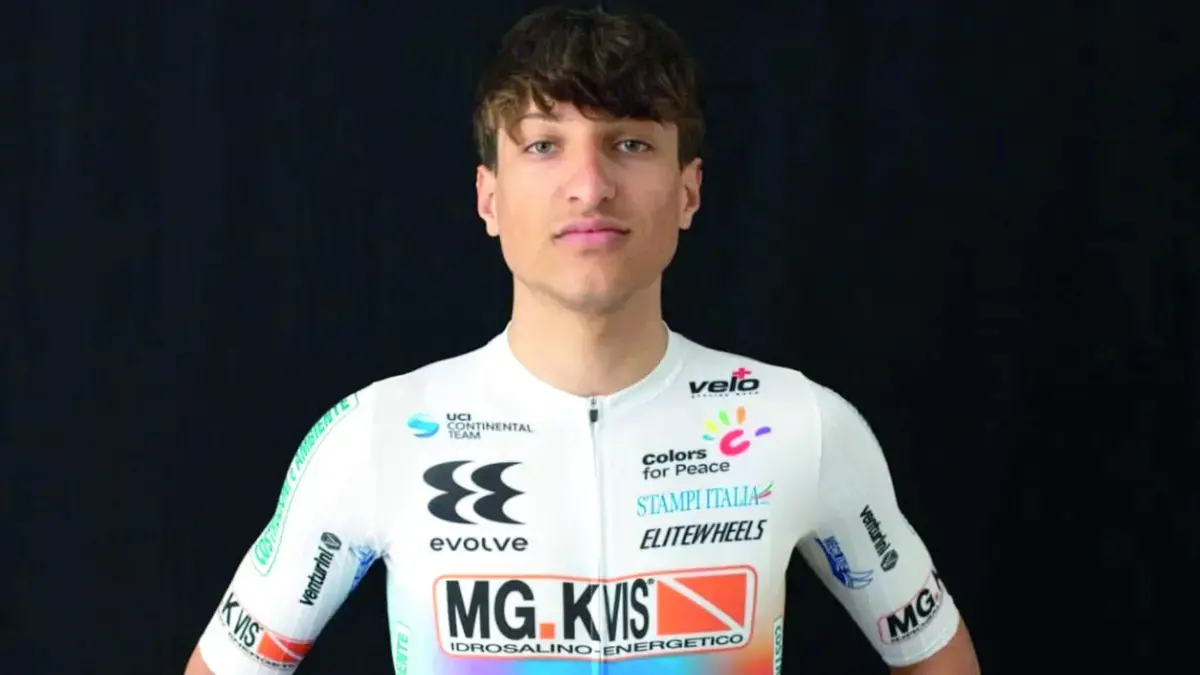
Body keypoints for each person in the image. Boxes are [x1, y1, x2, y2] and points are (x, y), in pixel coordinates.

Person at [184, 5, 981, 674]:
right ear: (488, 197)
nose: (591, 185)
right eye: (543, 144)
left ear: (689, 191)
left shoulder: (800, 423)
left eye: (631, 142)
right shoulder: (375, 435)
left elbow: (933, 653)